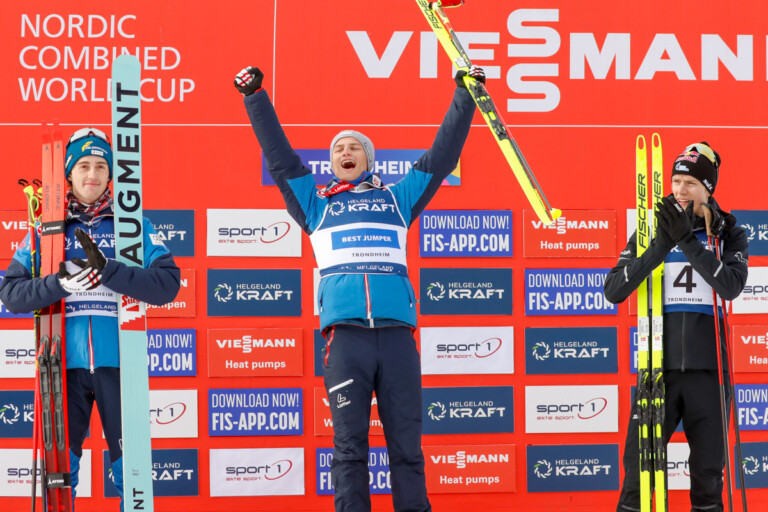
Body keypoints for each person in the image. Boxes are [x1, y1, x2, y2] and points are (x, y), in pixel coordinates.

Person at [234, 64, 482, 511]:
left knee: (407, 446)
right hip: (346, 339)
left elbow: (440, 159)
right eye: (337, 150)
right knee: (349, 448)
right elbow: (282, 159)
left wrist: (465, 95)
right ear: (331, 164)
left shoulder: (398, 199)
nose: (344, 152)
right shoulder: (314, 204)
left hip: (396, 337)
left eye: (354, 148)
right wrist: (255, 98)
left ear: (369, 158)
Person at [0, 127, 181, 510]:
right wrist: (59, 282)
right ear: (68, 174)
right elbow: (11, 293)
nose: (92, 174)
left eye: (101, 165)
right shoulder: (47, 231)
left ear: (112, 174)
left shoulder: (133, 227)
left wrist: (112, 270)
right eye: (83, 165)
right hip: (61, 366)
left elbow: (167, 286)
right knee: (60, 474)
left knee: (131, 474)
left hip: (122, 365)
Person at [604, 142, 748, 512]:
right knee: (638, 479)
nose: (680, 190)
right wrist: (661, 245)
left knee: (707, 480)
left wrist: (688, 241)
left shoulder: (730, 232)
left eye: (689, 183)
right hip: (657, 372)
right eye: (675, 180)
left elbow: (730, 286)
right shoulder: (652, 226)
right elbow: (614, 290)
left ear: (708, 188)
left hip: (709, 375)